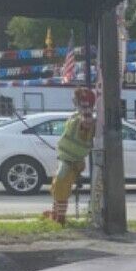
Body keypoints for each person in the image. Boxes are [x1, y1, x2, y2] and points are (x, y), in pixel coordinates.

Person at [45, 86, 97, 225]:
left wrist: (86, 111)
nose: (73, 101)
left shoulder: (85, 116)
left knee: (61, 186)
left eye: (76, 99)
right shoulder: (76, 116)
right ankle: (56, 213)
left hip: (71, 160)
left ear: (82, 102)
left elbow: (86, 124)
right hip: (66, 157)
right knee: (58, 187)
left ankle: (60, 218)